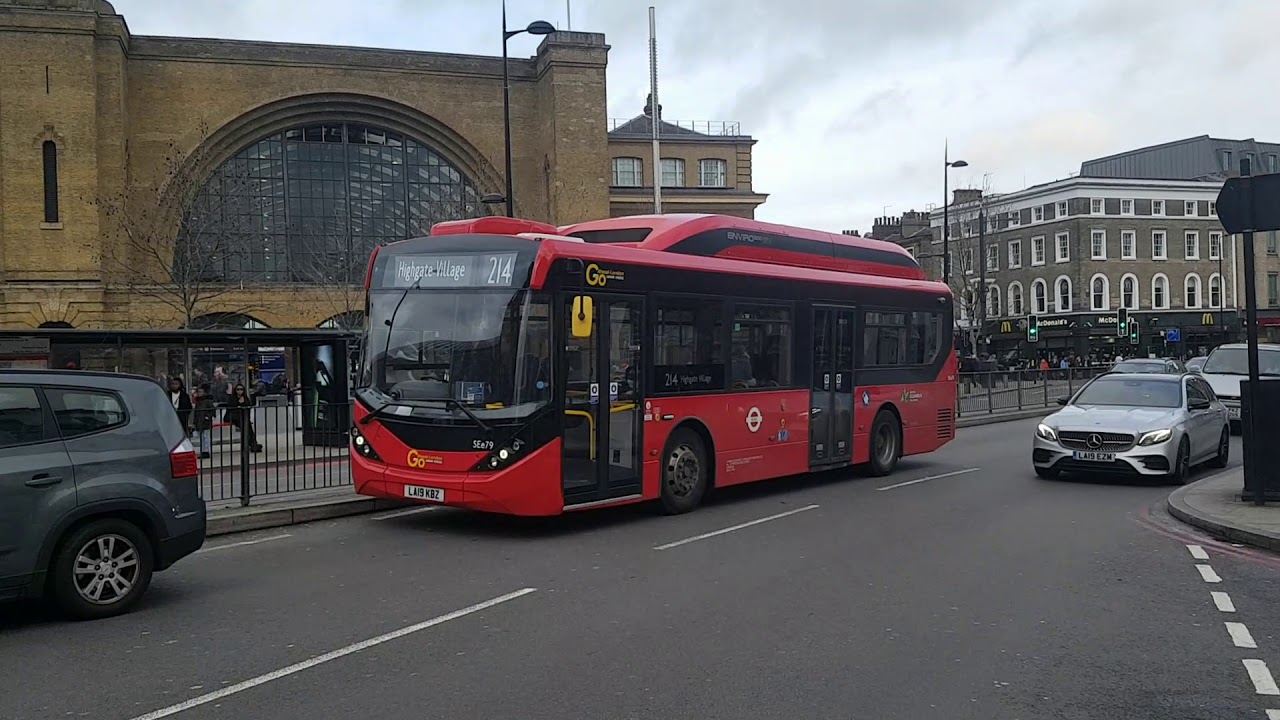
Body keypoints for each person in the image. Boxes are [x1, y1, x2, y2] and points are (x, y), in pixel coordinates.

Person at [225, 383, 263, 453]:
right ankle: (251, 444)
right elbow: (231, 409)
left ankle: (252, 443)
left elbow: (247, 408)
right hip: (233, 417)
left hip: (243, 417)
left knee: (247, 426)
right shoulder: (232, 398)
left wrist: (242, 403)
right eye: (238, 389)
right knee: (245, 425)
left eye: (241, 389)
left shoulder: (245, 398)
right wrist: (239, 403)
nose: (239, 391)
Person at [190, 385, 216, 459]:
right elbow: (196, 413)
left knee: (206, 436)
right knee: (202, 437)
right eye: (198, 392)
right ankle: (203, 450)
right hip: (199, 421)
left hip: (205, 421)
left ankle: (206, 451)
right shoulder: (198, 402)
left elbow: (212, 411)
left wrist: (207, 417)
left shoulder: (207, 401)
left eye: (200, 392)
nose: (199, 393)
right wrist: (195, 422)